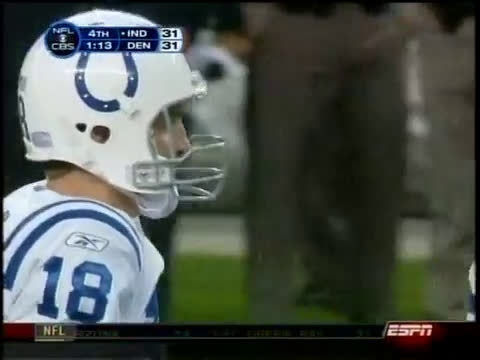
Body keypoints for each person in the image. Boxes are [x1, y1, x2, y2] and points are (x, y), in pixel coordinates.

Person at [3, 9, 224, 323]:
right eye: (168, 119)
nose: (182, 143)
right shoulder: (91, 240)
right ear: (99, 130)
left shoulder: (28, 203)